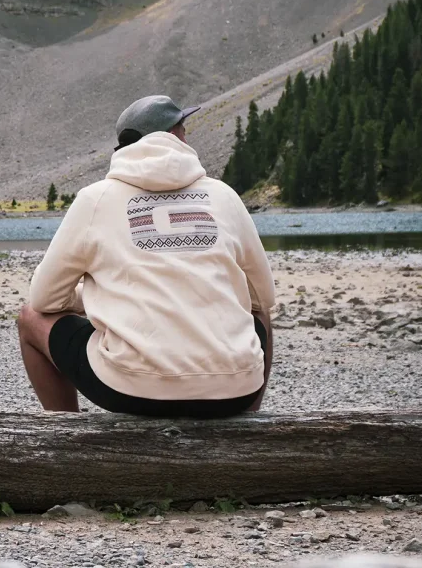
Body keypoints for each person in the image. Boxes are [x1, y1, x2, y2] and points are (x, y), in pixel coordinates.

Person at [18, 95, 275, 417]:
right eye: (184, 127)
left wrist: (101, 294)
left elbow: (43, 301)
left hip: (128, 389)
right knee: (260, 314)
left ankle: (65, 434)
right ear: (177, 135)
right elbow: (263, 296)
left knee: (30, 318)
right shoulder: (223, 195)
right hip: (235, 391)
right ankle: (245, 426)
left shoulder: (95, 199)